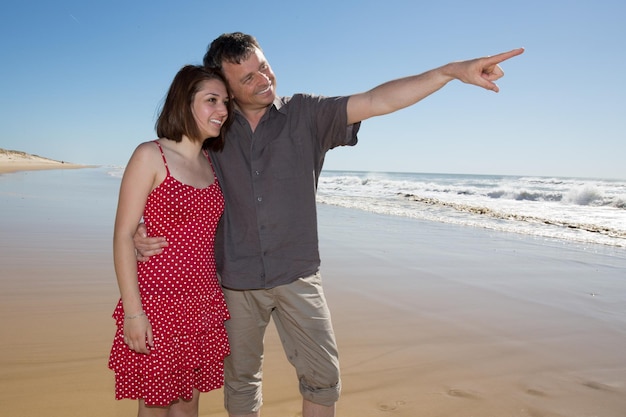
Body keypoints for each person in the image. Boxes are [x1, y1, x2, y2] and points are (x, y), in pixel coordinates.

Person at [134, 32, 524, 417]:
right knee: (241, 381)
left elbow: (377, 100)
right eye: (248, 77)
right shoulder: (214, 128)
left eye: (264, 67)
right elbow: (173, 174)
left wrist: (450, 72)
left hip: (298, 276)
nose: (264, 79)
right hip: (235, 279)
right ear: (229, 89)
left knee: (323, 378)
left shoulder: (307, 114)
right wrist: (142, 225)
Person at [109, 65, 233, 417]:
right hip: (158, 304)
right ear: (183, 101)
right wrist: (134, 313)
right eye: (211, 100)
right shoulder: (150, 155)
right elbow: (121, 235)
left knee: (189, 406)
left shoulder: (212, 162)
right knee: (156, 405)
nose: (222, 110)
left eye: (225, 102)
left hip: (203, 303)